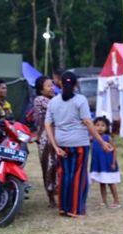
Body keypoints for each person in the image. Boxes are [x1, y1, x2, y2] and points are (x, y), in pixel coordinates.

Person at [44, 71, 112, 217]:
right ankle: (75, 209)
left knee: (64, 174)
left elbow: (48, 124)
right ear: (75, 84)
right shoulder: (80, 100)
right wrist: (102, 142)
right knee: (78, 176)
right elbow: (88, 122)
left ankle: (63, 208)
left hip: (61, 143)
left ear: (60, 83)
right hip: (79, 143)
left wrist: (55, 146)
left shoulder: (53, 102)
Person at [33, 76, 57, 208]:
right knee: (48, 165)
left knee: (56, 165)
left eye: (52, 85)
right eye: (48, 85)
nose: (52, 87)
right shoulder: (40, 100)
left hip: (56, 136)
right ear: (41, 90)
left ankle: (57, 193)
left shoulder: (53, 100)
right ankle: (51, 197)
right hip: (45, 138)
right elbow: (56, 109)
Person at [90, 116, 121, 208]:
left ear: (107, 127)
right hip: (99, 165)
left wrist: (113, 162)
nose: (99, 127)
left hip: (108, 165)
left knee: (111, 183)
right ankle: (104, 201)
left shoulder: (107, 138)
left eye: (103, 125)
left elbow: (114, 150)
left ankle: (116, 201)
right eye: (97, 125)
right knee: (102, 183)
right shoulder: (94, 139)